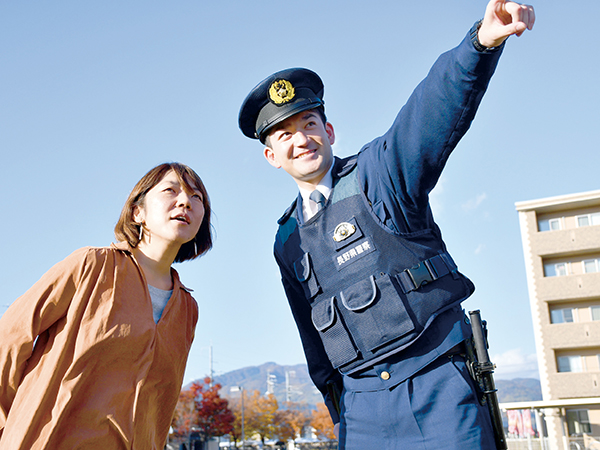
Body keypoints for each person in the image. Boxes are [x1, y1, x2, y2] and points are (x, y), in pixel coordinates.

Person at [238, 1, 534, 449]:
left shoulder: (379, 174)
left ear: (330, 131)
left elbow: (429, 113)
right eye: (284, 135)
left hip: (436, 387)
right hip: (361, 411)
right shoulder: (287, 239)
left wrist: (480, 43)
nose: (301, 139)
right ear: (271, 156)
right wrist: (341, 414)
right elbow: (312, 338)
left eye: (309, 122)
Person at [0, 162, 212, 450]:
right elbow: (10, 338)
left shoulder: (187, 309)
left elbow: (162, 405)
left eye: (196, 197)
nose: (185, 201)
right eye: (170, 190)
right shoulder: (90, 265)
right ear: (138, 212)